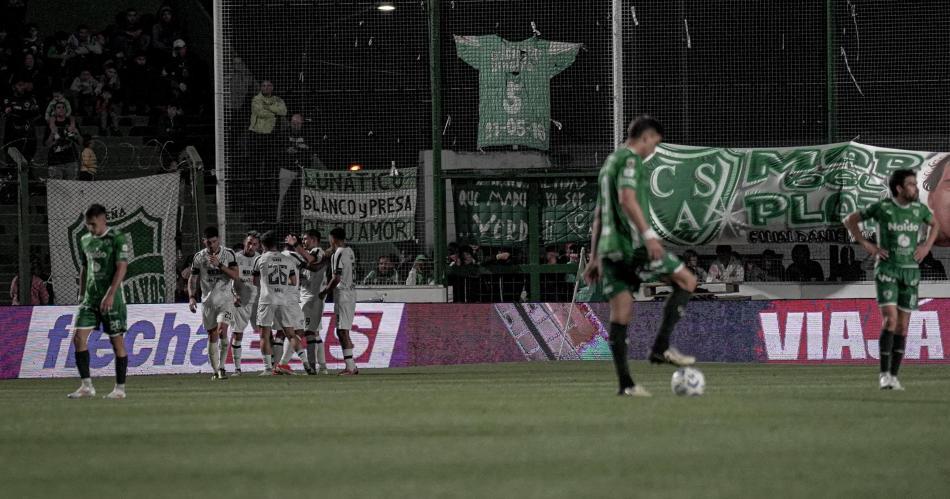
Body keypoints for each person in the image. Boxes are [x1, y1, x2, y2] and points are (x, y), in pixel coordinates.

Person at [583, 115, 697, 397]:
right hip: (631, 246)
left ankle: (627, 385)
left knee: (621, 312)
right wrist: (648, 236)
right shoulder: (631, 160)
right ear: (645, 138)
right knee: (686, 280)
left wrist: (594, 256)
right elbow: (627, 199)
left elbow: (599, 214)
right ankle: (660, 347)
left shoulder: (608, 164)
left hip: (609, 249)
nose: (654, 150)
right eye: (655, 143)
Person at [843, 169, 941, 391]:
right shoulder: (884, 208)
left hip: (910, 271)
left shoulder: (919, 210)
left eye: (915, 184)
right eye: (911, 184)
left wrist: (926, 246)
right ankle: (884, 374)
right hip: (887, 269)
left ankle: (894, 376)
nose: (915, 188)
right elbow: (850, 220)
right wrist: (867, 244)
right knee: (890, 320)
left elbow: (936, 225)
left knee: (903, 327)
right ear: (899, 188)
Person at [66, 204, 130, 399]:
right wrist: (81, 293)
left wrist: (110, 294)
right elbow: (85, 268)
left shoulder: (117, 238)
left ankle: (120, 389)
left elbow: (122, 267)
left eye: (93, 224)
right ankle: (87, 386)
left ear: (103, 220)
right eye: (88, 225)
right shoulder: (85, 240)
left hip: (113, 299)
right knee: (78, 338)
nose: (91, 229)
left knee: (116, 343)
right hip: (90, 299)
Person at [188, 226, 241, 380]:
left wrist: (219, 265)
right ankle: (215, 369)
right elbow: (193, 278)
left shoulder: (228, 254)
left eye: (214, 241)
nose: (211, 245)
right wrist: (191, 297)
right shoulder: (199, 257)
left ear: (218, 240)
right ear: (203, 241)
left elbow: (235, 275)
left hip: (225, 300)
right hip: (208, 302)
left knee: (221, 330)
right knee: (212, 335)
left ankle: (222, 367)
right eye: (208, 242)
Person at [252, 231, 300, 375]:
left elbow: (255, 282)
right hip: (283, 300)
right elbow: (294, 281)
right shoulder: (287, 259)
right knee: (291, 334)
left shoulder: (260, 259)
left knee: (264, 335)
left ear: (262, 245)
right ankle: (284, 364)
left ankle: (267, 369)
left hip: (267, 300)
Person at [288, 229, 331, 374]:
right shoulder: (308, 256)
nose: (303, 241)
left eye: (305, 239)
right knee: (315, 333)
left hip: (311, 298)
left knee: (304, 332)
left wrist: (295, 246)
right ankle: (322, 367)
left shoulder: (318, 251)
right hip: (309, 297)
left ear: (314, 240)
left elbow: (311, 260)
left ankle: (310, 366)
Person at [320, 227, 359, 375]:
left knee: (342, 331)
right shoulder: (349, 251)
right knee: (343, 330)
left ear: (333, 239)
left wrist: (325, 291)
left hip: (343, 294)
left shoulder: (338, 253)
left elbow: (336, 277)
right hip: (351, 292)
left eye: (330, 238)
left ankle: (350, 367)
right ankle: (351, 365)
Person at [230, 232, 261, 376]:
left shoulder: (260, 259)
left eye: (254, 244)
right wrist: (234, 295)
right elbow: (230, 280)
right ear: (244, 243)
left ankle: (271, 366)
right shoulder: (236, 258)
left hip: (258, 301)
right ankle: (237, 368)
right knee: (238, 334)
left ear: (258, 246)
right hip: (240, 300)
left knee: (265, 333)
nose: (251, 246)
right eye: (249, 243)